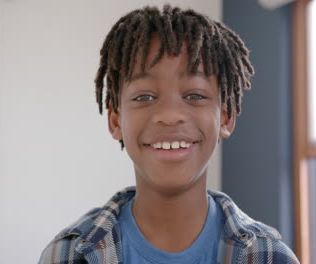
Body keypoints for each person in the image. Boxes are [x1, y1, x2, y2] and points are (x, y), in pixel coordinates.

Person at [39, 4, 299, 264]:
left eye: (195, 95)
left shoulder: (271, 257)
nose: (170, 114)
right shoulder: (66, 256)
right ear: (115, 120)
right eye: (145, 96)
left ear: (226, 117)